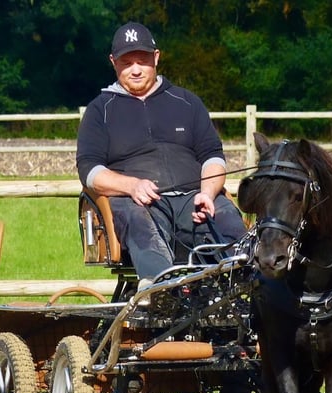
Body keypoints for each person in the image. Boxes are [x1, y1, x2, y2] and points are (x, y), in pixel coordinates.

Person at [76, 22, 248, 286]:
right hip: (137, 202)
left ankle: (248, 283)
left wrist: (208, 193)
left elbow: (213, 156)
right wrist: (131, 185)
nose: (135, 70)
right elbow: (89, 170)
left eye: (142, 61)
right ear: (113, 62)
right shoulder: (100, 110)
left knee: (226, 218)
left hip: (193, 197)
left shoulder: (187, 102)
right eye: (126, 62)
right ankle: (160, 289)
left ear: (156, 57)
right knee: (137, 217)